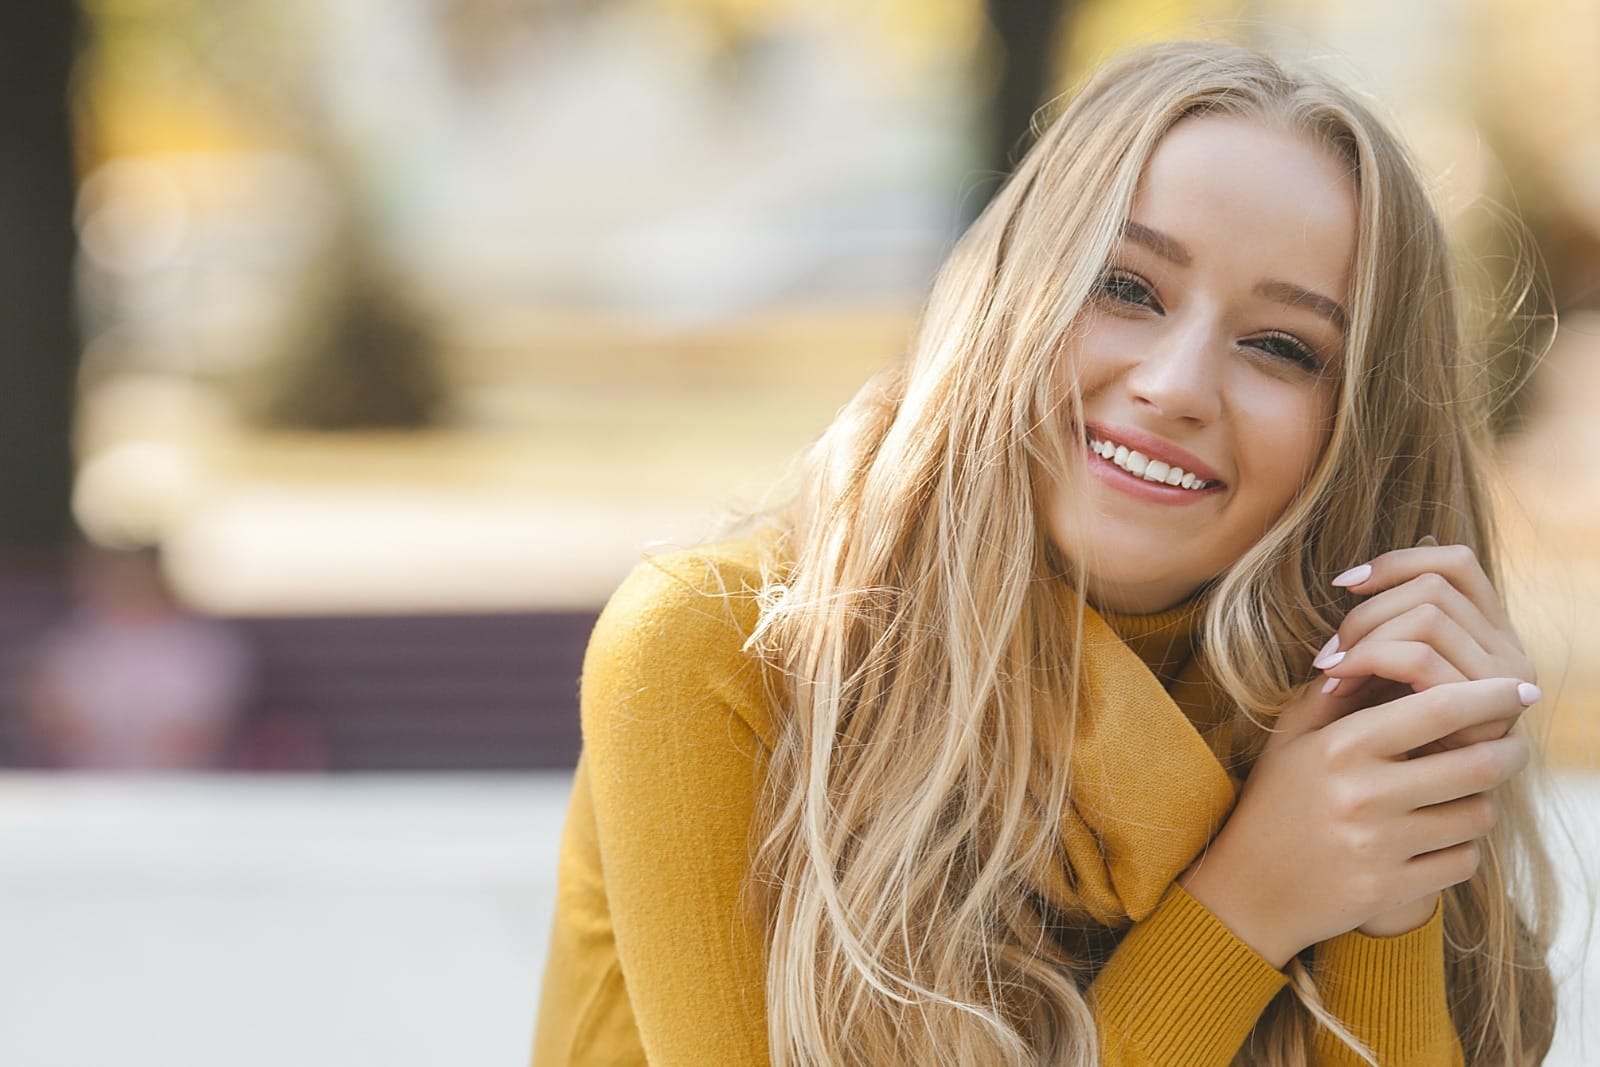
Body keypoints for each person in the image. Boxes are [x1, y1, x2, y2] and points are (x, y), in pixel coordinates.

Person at [533, 38, 1563, 1065]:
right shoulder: (721, 648)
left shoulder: (1355, 710)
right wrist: (1248, 901)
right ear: (1011, 296)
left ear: (1363, 437)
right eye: (1125, 286)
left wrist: (1388, 853)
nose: (1176, 384)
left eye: (1282, 347)